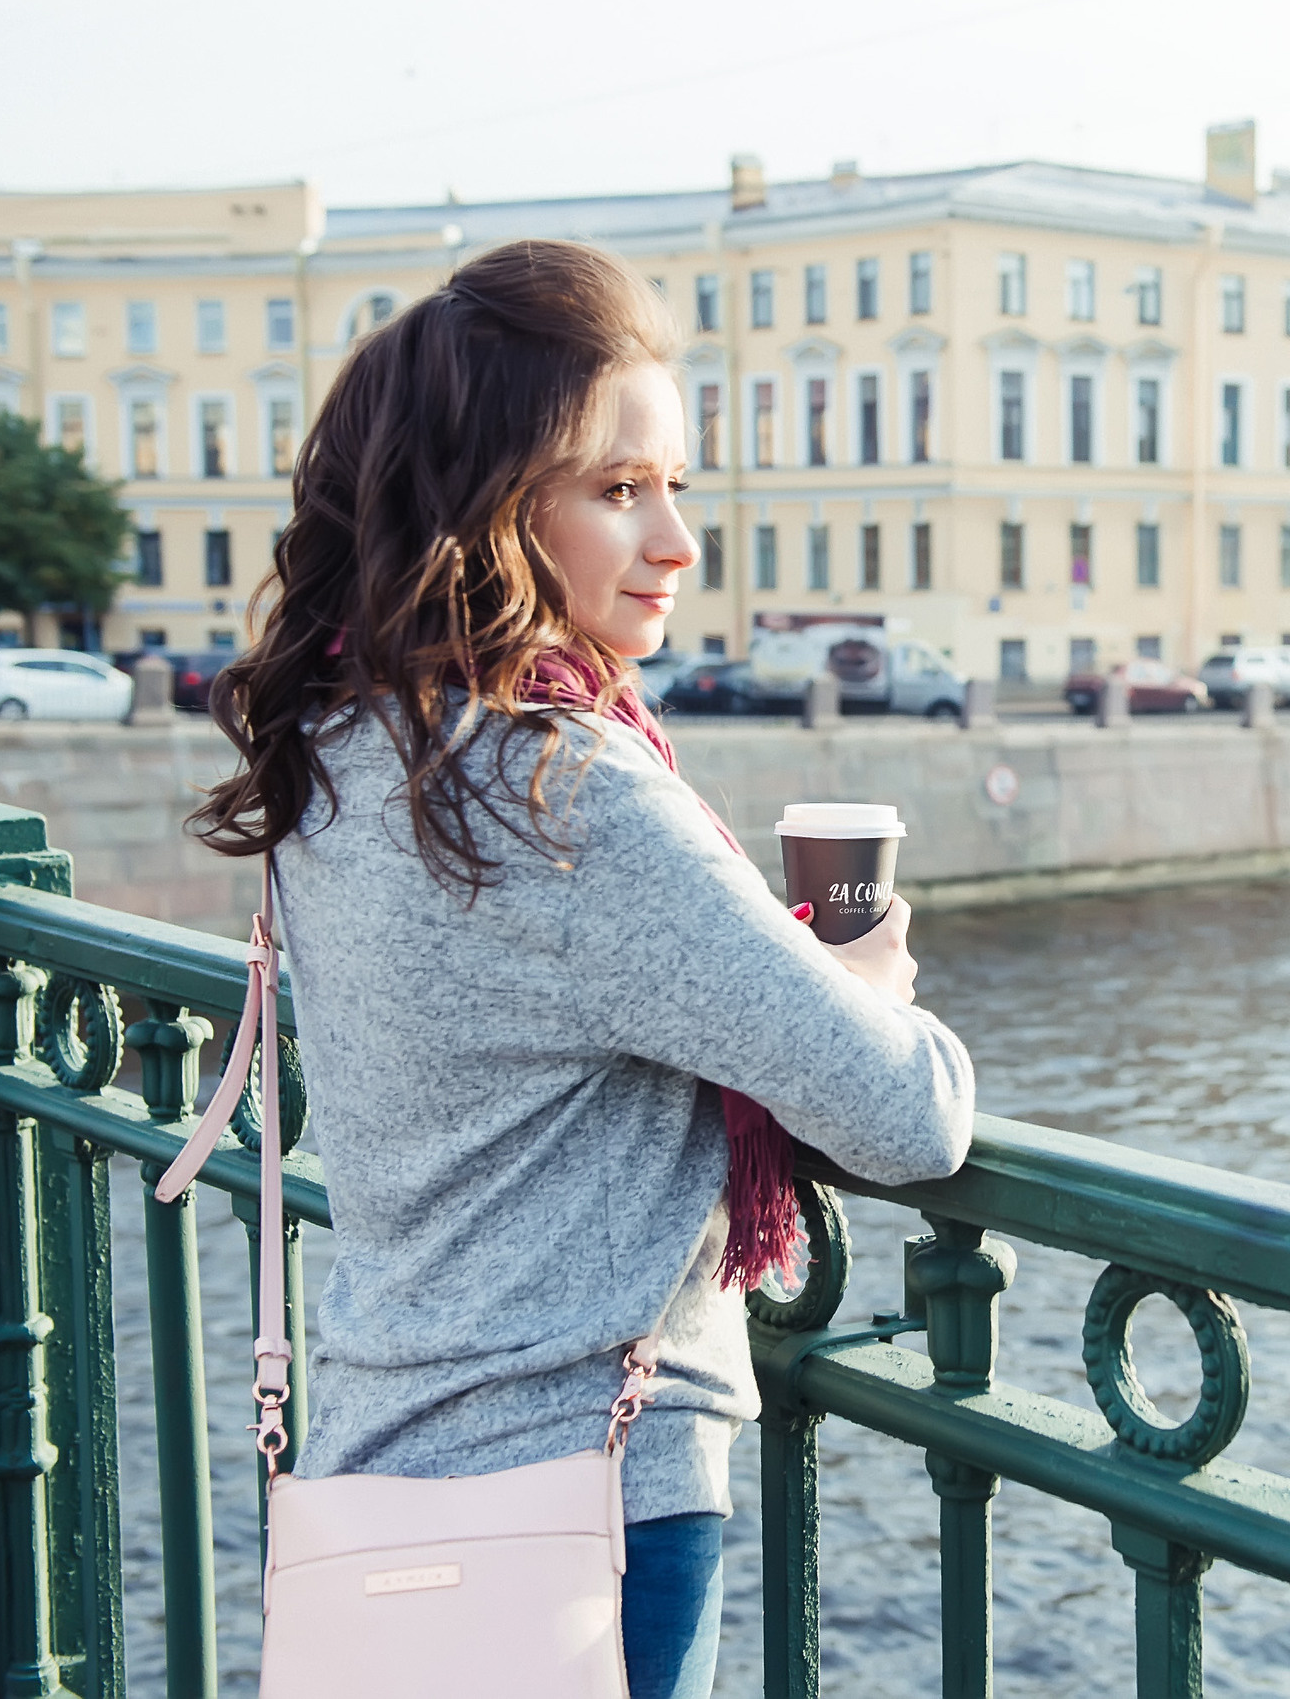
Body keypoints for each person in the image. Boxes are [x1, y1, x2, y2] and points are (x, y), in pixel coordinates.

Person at [192, 238, 974, 1699]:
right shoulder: (567, 794)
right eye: (621, 491)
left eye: (678, 485)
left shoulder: (349, 752)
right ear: (479, 508)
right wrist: (865, 977)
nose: (677, 540)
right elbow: (911, 1116)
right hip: (583, 1504)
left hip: (374, 1465)